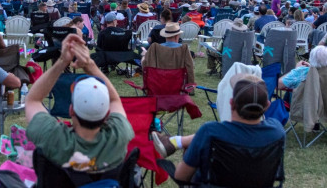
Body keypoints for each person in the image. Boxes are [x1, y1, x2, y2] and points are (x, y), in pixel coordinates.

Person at [25, 34, 134, 173]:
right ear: (107, 112)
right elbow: (115, 100)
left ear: (71, 110)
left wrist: (62, 61)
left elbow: (32, 99)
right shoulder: (118, 136)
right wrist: (89, 64)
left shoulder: (52, 138)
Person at [152, 74, 284, 183]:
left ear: (231, 103)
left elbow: (181, 176)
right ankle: (175, 142)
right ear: (267, 106)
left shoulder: (211, 132)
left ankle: (175, 142)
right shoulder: (277, 132)